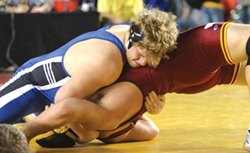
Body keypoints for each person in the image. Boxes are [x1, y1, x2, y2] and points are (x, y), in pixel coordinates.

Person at [21, 22, 250, 147]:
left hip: (184, 63)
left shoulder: (107, 125)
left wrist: (28, 133)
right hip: (187, 71)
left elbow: (66, 107)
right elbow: (66, 108)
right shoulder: (110, 129)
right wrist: (33, 127)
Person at [0, 7, 178, 124]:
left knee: (149, 131)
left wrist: (147, 104)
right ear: (133, 39)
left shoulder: (127, 30)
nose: (142, 63)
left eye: (150, 60)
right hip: (33, 85)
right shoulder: (108, 61)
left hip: (61, 97)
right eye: (140, 54)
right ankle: (27, 115)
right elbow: (63, 102)